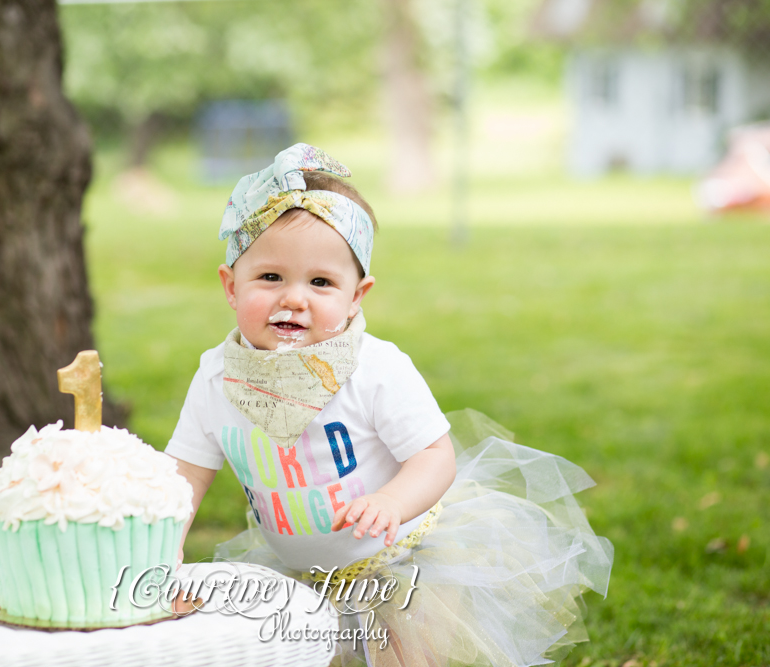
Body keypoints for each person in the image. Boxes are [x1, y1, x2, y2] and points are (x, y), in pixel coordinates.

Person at [165, 143, 613, 667]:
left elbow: (433, 456)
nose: (294, 298)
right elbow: (184, 473)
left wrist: (392, 503)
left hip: (401, 560)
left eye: (321, 283)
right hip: (301, 569)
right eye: (270, 277)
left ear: (357, 295)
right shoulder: (218, 378)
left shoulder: (373, 369)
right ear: (231, 286)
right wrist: (165, 540)